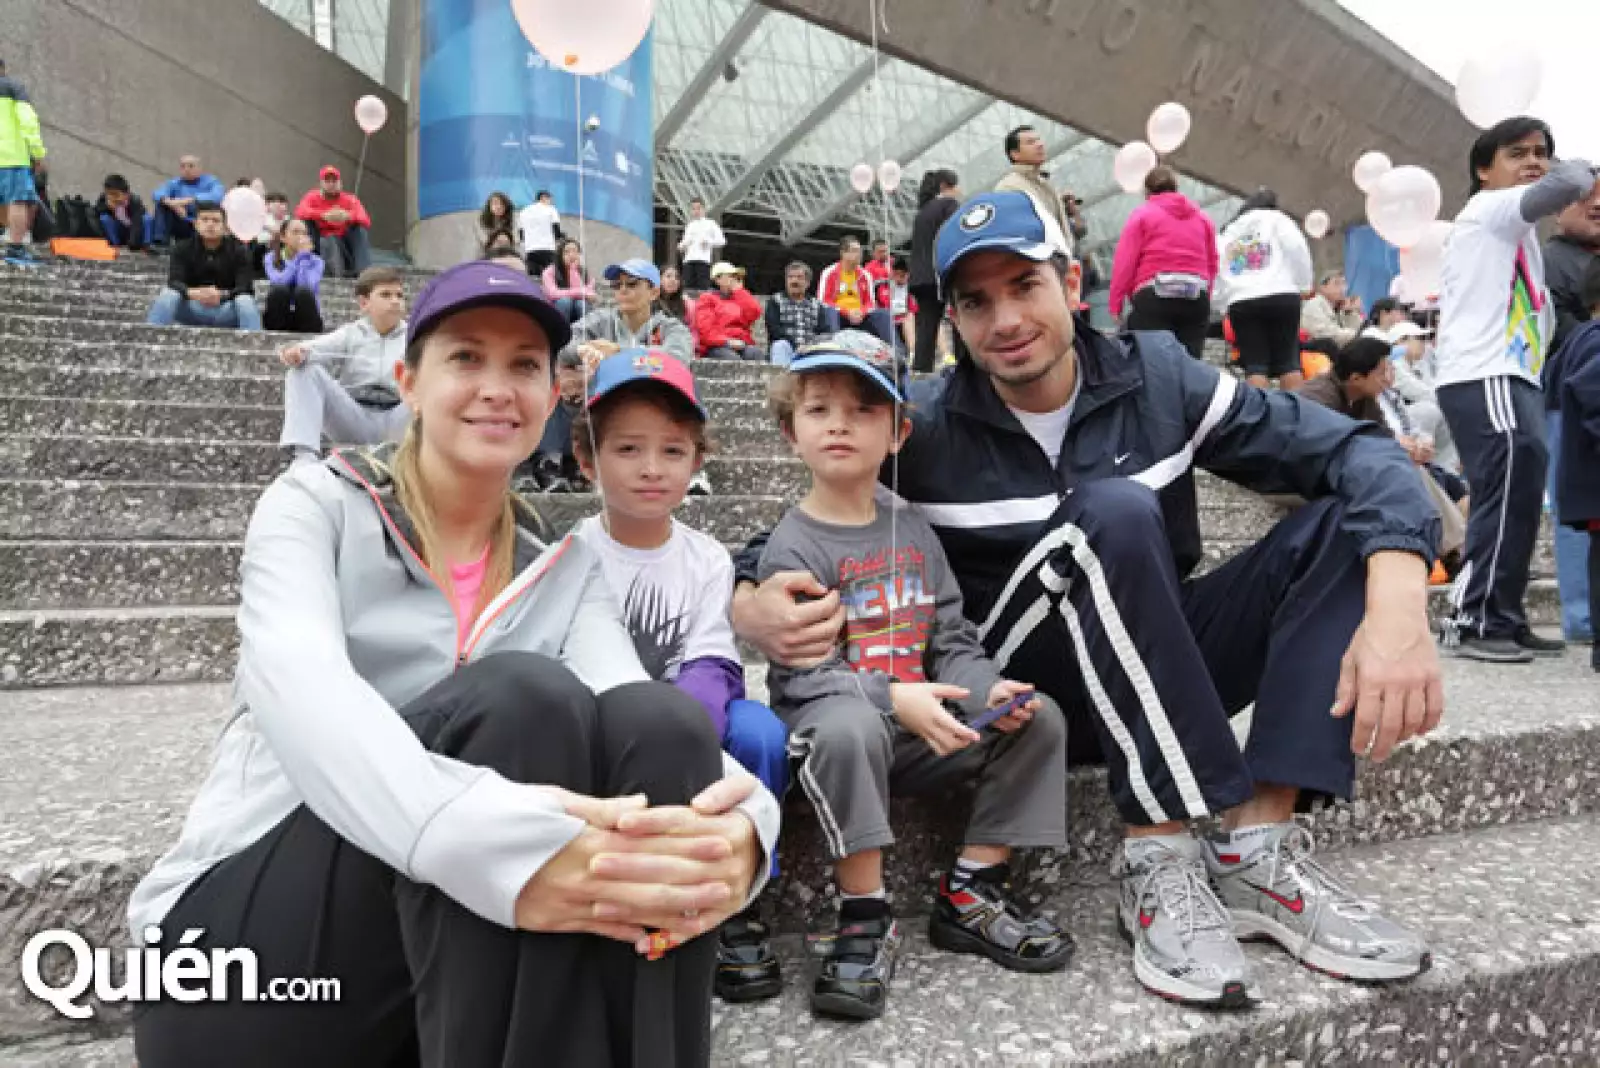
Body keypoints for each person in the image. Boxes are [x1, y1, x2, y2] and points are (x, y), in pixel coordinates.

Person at [731, 191, 1443, 1009]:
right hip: (1025, 693)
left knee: (1348, 521)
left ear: (1071, 282)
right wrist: (750, 601)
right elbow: (803, 518)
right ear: (953, 321)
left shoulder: (1158, 378)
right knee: (1110, 509)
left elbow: (1356, 452)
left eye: (1024, 285)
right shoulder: (924, 426)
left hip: (1158, 662)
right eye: (975, 301)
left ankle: (1256, 852)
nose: (1004, 318)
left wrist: (1397, 606)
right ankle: (1155, 859)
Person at [128, 261, 779, 1067]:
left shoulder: (563, 568)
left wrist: (748, 833)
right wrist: (498, 845)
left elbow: (647, 717)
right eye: (466, 357)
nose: (497, 388)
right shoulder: (313, 507)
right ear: (408, 380)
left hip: (445, 981)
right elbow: (306, 696)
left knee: (659, 723)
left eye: (524, 366)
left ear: (551, 398)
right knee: (521, 702)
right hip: (247, 970)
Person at [757, 336, 1073, 1020]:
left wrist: (985, 687)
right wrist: (890, 700)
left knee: (1037, 716)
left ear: (897, 432)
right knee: (845, 727)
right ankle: (865, 915)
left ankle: (972, 887)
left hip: (919, 729)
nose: (839, 423)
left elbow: (952, 638)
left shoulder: (915, 531)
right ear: (791, 432)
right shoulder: (792, 545)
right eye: (819, 409)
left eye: (863, 409)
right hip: (838, 734)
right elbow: (806, 674)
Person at [571, 349, 790, 1002]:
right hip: (603, 721)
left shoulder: (707, 558)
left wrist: (679, 734)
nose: (650, 469)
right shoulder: (571, 553)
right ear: (588, 460)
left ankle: (738, 899)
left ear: (697, 462)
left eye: (672, 451)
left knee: (762, 734)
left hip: (695, 716)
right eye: (628, 449)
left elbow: (714, 662)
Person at [1433, 115, 1595, 663]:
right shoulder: (1490, 210)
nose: (1534, 162)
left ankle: (1503, 613)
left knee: (1521, 498)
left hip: (1511, 375)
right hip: (1485, 373)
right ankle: (1473, 617)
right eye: (1517, 153)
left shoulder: (1518, 233)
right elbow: (1569, 181)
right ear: (1484, 170)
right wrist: (1574, 172)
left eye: (1540, 152)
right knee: (1504, 495)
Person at [1299, 338, 1470, 560]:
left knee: (1415, 469)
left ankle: (1453, 548)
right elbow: (1324, 444)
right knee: (1402, 472)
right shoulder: (1318, 397)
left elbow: (1384, 435)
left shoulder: (1363, 397)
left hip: (1339, 467)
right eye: (1382, 373)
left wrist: (1412, 448)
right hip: (1305, 471)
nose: (1388, 379)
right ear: (1356, 378)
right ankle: (1454, 549)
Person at [1543, 181, 1600, 643]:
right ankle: (1582, 617)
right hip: (1575, 400)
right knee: (1580, 512)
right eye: (1586, 195)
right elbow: (1559, 336)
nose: (1597, 204)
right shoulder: (1551, 260)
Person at [276, 266, 409, 466]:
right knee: (304, 369)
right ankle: (304, 458)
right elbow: (311, 350)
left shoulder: (416, 337)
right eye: (386, 295)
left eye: (399, 295)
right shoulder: (350, 333)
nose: (395, 301)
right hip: (354, 419)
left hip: (398, 419)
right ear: (364, 303)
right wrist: (296, 352)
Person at [1108, 165, 1219, 361]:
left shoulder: (1142, 214)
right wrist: (1205, 295)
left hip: (1154, 295)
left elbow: (1125, 262)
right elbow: (1212, 263)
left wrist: (1116, 305)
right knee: (1191, 365)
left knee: (1153, 364)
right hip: (1195, 294)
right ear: (1176, 187)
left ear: (1147, 191)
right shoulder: (1202, 218)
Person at [1215, 188, 1314, 391]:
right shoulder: (1279, 220)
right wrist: (1304, 283)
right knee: (1289, 360)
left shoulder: (1230, 230)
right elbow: (1297, 248)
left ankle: (1259, 418)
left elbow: (1218, 265)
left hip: (1242, 299)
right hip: (1282, 293)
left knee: (1255, 364)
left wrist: (1221, 301)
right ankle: (1298, 417)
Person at [146, 202, 262, 331]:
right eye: (205, 220)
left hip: (227, 310)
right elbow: (174, 281)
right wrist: (194, 293)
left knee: (245, 300)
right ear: (196, 224)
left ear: (225, 228)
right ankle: (151, 335)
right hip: (192, 307)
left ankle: (253, 342)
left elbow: (245, 287)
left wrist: (221, 295)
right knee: (169, 294)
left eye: (216, 221)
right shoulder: (181, 248)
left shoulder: (240, 251)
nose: (210, 224)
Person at [564, 259, 693, 366]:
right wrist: (582, 350)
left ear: (654, 293)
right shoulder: (600, 319)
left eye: (632, 284)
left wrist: (619, 352)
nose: (623, 290)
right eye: (617, 285)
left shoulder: (672, 327)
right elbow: (562, 343)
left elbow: (676, 360)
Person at [910, 169, 961, 373]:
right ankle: (964, 368)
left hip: (920, 276)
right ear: (946, 186)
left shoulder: (923, 211)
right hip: (940, 273)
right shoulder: (948, 205)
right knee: (961, 318)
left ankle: (921, 371)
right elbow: (955, 234)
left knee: (926, 327)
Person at [994, 125, 1075, 251]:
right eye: (1030, 142)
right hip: (1044, 259)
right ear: (1015, 154)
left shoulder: (1042, 182)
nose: (1040, 144)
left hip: (1062, 257)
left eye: (1038, 139)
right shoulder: (1009, 187)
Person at [0, 58, 44, 260]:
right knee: (18, 200)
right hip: (11, 155)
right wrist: (37, 152)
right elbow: (28, 120)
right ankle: (15, 248)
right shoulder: (13, 87)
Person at [295, 165, 373, 278]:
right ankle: (309, 266)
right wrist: (323, 215)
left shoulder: (350, 199)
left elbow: (365, 220)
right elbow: (300, 211)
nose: (331, 184)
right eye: (327, 181)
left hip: (344, 240)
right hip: (319, 239)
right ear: (321, 183)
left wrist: (347, 216)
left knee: (360, 230)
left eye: (334, 181)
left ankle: (364, 272)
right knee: (305, 223)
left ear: (340, 183)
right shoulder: (312, 196)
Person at [818, 236, 895, 346]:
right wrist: (846, 312)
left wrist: (861, 312)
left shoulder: (865, 275)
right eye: (854, 251)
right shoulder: (829, 272)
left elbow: (870, 303)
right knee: (830, 311)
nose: (859, 254)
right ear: (843, 253)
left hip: (860, 315)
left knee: (884, 314)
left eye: (860, 251)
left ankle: (895, 351)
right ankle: (834, 347)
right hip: (839, 314)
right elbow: (823, 301)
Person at [262, 218, 326, 334]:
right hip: (279, 316)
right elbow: (279, 281)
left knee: (303, 292)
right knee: (279, 291)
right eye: (295, 232)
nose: (300, 237)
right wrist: (297, 259)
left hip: (307, 318)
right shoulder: (271, 257)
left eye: (304, 233)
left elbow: (307, 286)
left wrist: (303, 258)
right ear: (283, 237)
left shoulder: (317, 261)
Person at [764, 261, 834, 366]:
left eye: (799, 277)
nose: (794, 281)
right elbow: (774, 330)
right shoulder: (775, 301)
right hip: (787, 349)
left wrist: (810, 346)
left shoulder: (817, 305)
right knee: (780, 345)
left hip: (811, 350)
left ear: (807, 283)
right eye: (790, 277)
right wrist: (796, 345)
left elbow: (825, 332)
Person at [694, 262, 764, 361]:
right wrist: (727, 341)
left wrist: (740, 292)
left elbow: (754, 313)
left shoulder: (739, 297)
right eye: (731, 276)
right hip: (716, 345)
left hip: (741, 343)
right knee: (732, 359)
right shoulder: (707, 299)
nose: (736, 280)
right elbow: (706, 330)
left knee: (756, 354)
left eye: (737, 277)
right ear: (717, 279)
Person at [151, 155, 225, 246]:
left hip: (200, 222)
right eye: (183, 166)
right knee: (161, 205)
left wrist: (186, 201)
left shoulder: (211, 181)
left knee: (209, 207)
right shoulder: (175, 183)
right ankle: (160, 243)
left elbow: (217, 196)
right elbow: (157, 194)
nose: (186, 169)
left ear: (199, 168)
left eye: (191, 166)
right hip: (181, 221)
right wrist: (173, 205)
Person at [1301, 271, 1365, 352]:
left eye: (1344, 284)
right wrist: (1360, 335)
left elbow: (1360, 329)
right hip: (1319, 355)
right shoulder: (1313, 305)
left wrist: (1350, 313)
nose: (1342, 288)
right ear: (1323, 287)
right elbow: (1327, 335)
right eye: (1337, 284)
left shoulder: (1341, 307)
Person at [541, 238, 598, 324]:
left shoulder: (586, 274)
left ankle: (587, 334)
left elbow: (589, 295)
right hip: (557, 310)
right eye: (567, 252)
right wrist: (582, 292)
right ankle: (561, 334)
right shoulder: (549, 271)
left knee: (582, 304)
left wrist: (573, 270)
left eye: (575, 251)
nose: (571, 255)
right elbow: (553, 294)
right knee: (565, 301)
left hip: (578, 310)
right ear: (560, 255)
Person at [678, 198, 725, 292]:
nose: (696, 211)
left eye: (698, 208)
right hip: (688, 261)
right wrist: (681, 245)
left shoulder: (711, 223)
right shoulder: (690, 225)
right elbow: (683, 243)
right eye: (693, 209)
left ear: (704, 209)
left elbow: (722, 241)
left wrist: (708, 241)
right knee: (687, 289)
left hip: (703, 261)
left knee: (703, 289)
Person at [95, 174, 149, 252]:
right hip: (118, 229)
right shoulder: (104, 199)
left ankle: (147, 245)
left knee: (147, 219)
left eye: (115, 194)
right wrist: (108, 208)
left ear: (126, 194)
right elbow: (96, 212)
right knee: (104, 218)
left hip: (133, 231)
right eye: (108, 194)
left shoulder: (135, 201)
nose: (111, 197)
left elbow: (137, 224)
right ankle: (115, 244)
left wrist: (132, 244)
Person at [516, 189, 561, 276]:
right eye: (549, 199)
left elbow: (521, 234)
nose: (551, 202)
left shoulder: (523, 211)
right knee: (550, 277)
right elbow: (556, 229)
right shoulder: (550, 209)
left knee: (534, 278)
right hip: (547, 249)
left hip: (530, 250)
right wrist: (559, 237)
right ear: (543, 198)